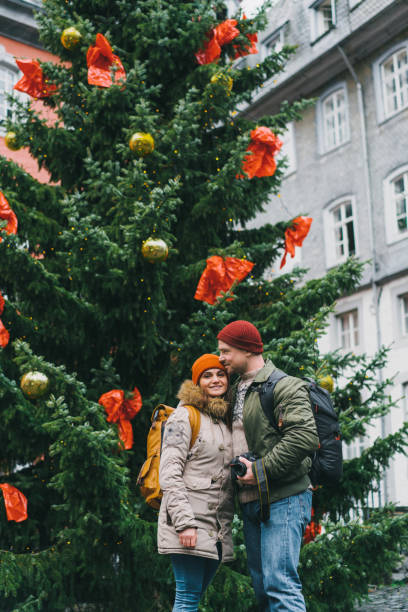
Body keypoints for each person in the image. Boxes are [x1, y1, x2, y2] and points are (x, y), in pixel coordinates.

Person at [217, 320, 319, 612]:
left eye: (226, 350)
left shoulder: (283, 385)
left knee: (280, 585)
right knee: (263, 591)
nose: (221, 357)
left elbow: (304, 437)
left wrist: (259, 470)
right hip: (252, 502)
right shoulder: (236, 389)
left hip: (284, 497)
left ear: (247, 349)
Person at [158, 353, 234, 612]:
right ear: (197, 382)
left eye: (220, 374)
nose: (215, 380)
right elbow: (169, 471)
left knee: (193, 597)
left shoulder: (224, 420)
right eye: (207, 375)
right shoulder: (184, 416)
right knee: (187, 598)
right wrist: (184, 523)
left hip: (215, 529)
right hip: (188, 523)